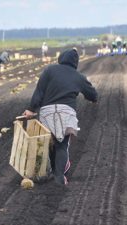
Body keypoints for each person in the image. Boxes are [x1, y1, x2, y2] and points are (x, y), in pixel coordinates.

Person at [23, 49, 98, 186]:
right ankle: (59, 177)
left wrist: (31, 108)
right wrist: (93, 99)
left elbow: (39, 91)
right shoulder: (78, 76)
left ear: (61, 58)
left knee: (51, 144)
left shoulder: (49, 70)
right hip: (66, 113)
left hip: (47, 113)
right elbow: (92, 94)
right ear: (75, 62)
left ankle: (54, 171)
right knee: (62, 145)